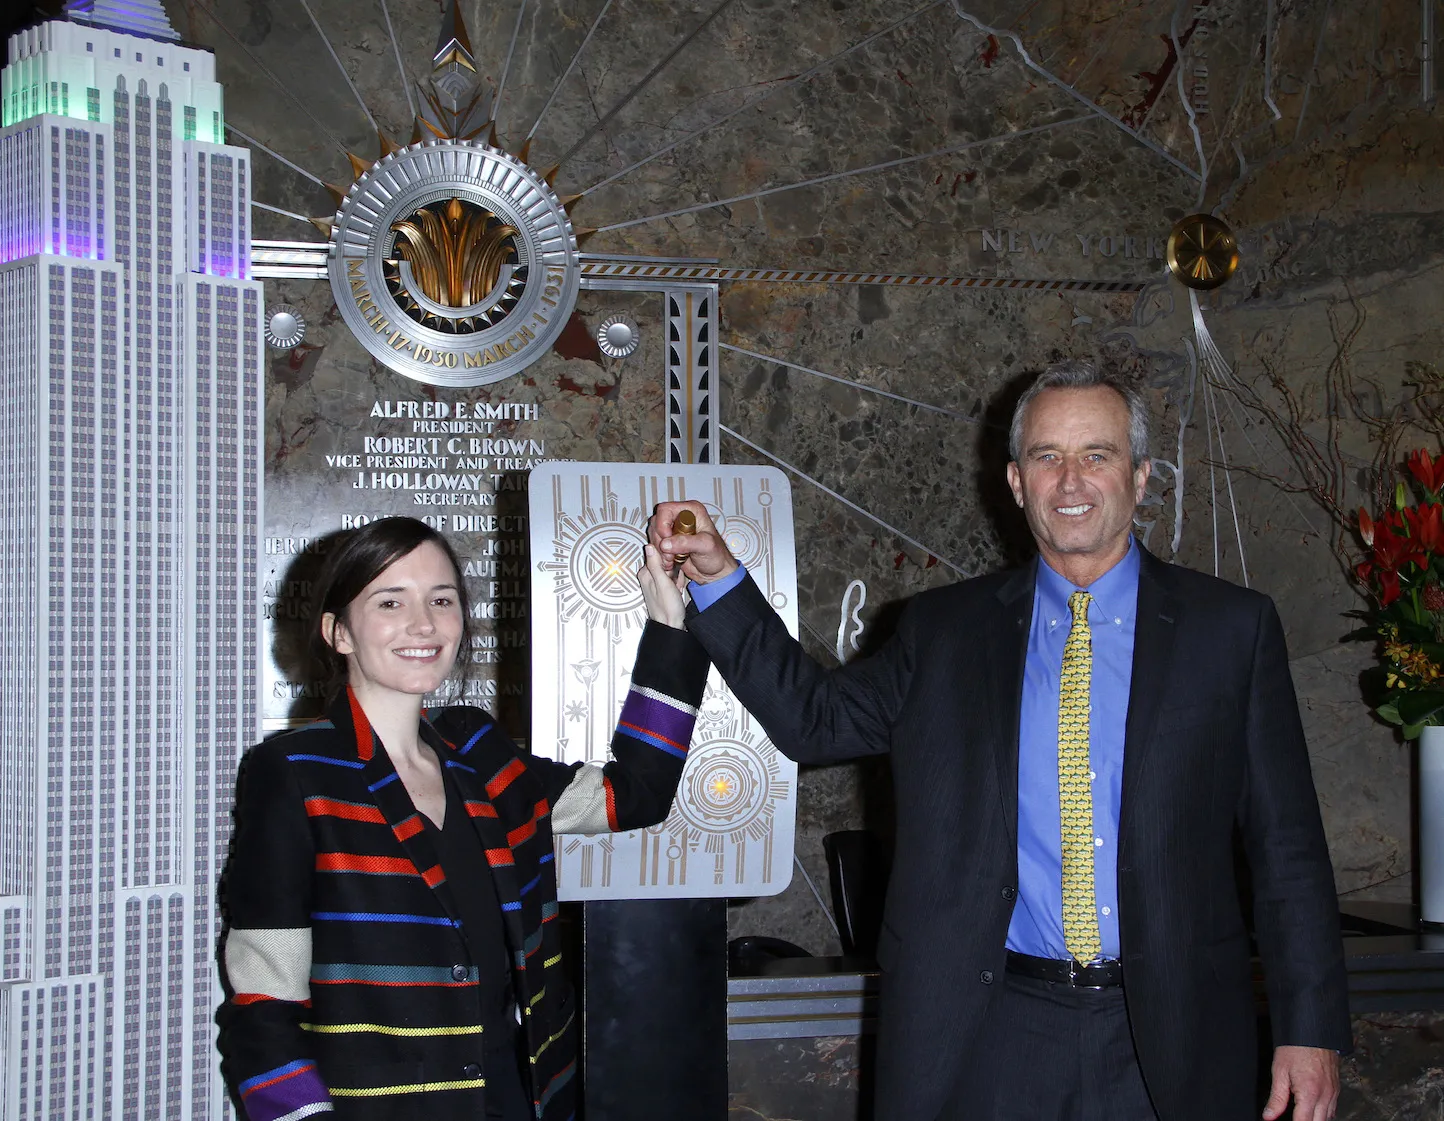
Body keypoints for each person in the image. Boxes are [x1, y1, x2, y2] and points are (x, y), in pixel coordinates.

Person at [650, 359, 1350, 1121]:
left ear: (1142, 477)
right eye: (1048, 457)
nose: (1072, 480)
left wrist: (1309, 1029)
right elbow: (811, 718)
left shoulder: (1231, 631)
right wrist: (717, 579)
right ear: (1016, 482)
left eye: (1098, 455)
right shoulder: (944, 632)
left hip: (1172, 1033)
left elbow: (1290, 850)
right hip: (993, 1031)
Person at [216, 516, 706, 1121]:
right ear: (339, 632)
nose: (423, 624)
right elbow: (265, 1008)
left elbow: (634, 794)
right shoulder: (293, 772)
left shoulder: (479, 755)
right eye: (390, 601)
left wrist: (670, 625)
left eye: (441, 600)